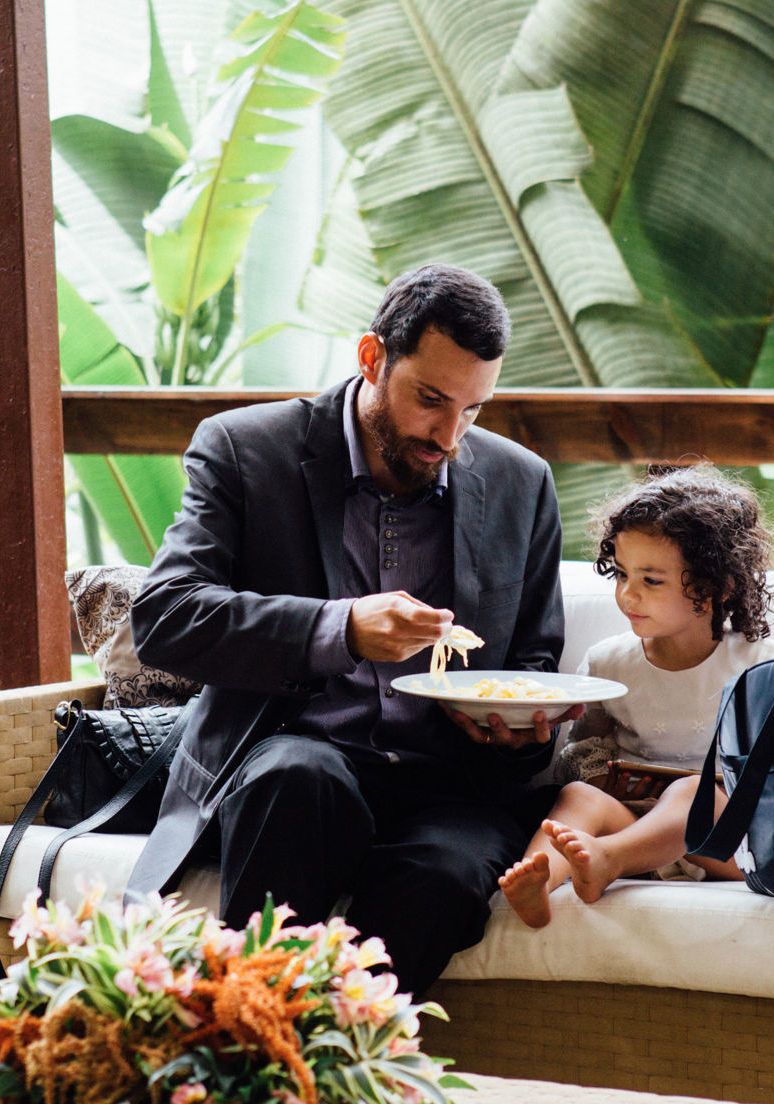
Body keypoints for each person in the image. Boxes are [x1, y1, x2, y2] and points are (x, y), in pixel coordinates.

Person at [126, 265, 578, 991]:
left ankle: (315, 1053)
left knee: (448, 874)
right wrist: (340, 629)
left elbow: (532, 655)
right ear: (372, 358)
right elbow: (166, 616)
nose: (450, 435)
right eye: (431, 400)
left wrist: (520, 726)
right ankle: (261, 1027)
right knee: (300, 779)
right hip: (293, 755)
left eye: (474, 410)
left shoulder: (522, 483)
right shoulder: (247, 450)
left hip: (448, 787)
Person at [497, 464, 774, 929]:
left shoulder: (761, 666)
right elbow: (584, 754)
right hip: (636, 832)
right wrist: (599, 775)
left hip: (727, 843)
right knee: (577, 796)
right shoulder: (610, 663)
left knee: (694, 793)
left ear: (715, 587)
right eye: (621, 574)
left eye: (651, 581)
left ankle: (607, 860)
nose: (628, 595)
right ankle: (539, 879)